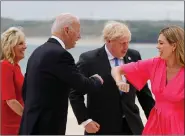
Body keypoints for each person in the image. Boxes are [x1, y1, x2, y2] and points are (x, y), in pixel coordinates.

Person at [18, 13, 103, 135]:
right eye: (78, 32)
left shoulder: (38, 51)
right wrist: (97, 80)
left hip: (30, 124)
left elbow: (25, 90)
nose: (79, 36)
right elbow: (81, 84)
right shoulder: (60, 55)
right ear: (67, 30)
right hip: (47, 127)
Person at [69, 21, 155, 135]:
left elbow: (144, 93)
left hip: (132, 126)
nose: (126, 47)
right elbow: (75, 93)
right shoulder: (88, 59)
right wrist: (85, 120)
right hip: (100, 128)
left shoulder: (134, 56)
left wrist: (155, 120)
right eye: (122, 43)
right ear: (109, 41)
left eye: (128, 43)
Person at [111, 25, 184, 135]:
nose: (157, 47)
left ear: (174, 46)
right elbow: (117, 69)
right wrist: (119, 81)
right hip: (155, 124)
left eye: (161, 43)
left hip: (178, 125)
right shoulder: (154, 64)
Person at [1, 27, 26, 135]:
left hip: (19, 124)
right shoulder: (5, 66)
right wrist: (29, 117)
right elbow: (10, 100)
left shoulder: (15, 67)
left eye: (24, 43)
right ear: (10, 47)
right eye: (20, 43)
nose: (25, 46)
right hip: (10, 127)